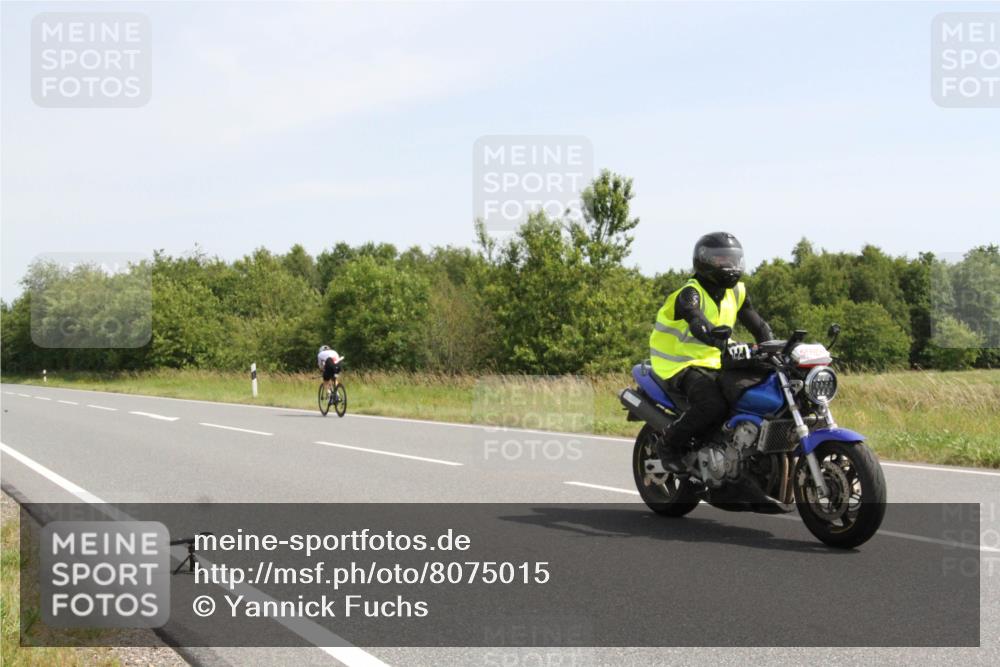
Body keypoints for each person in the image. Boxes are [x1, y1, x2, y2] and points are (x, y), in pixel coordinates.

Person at [648, 232, 774, 471]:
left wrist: (773, 348)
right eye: (721, 260)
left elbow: (759, 326)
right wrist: (719, 340)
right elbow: (698, 322)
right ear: (704, 260)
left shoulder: (736, 291)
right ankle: (669, 444)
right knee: (712, 403)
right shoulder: (690, 293)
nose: (729, 266)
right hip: (680, 363)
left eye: (733, 260)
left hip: (715, 361)